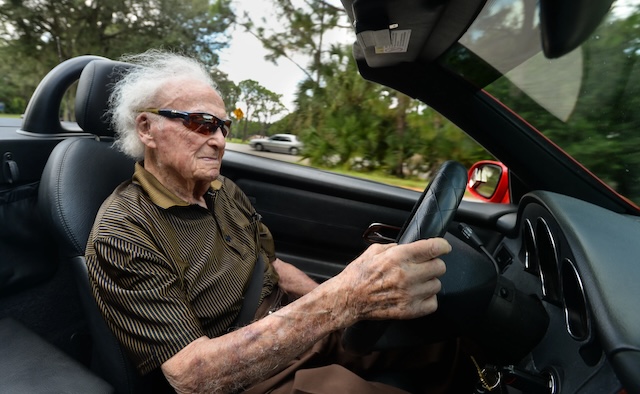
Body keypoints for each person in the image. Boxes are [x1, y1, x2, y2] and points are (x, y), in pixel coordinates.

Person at [85, 49, 456, 393]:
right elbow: (191, 375)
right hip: (249, 375)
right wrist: (340, 299)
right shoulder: (124, 232)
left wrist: (340, 312)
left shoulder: (223, 189)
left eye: (222, 127)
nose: (218, 140)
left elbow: (271, 264)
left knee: (444, 339)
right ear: (147, 129)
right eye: (200, 123)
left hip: (300, 328)